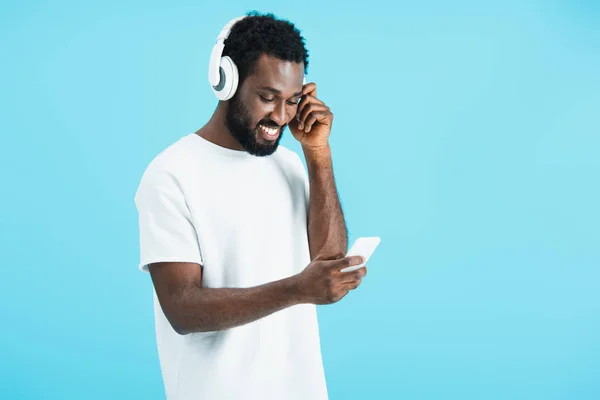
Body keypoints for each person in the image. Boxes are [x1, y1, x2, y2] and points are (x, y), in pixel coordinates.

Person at [134, 11, 367, 400]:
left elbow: (327, 260)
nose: (279, 116)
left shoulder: (290, 164)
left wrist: (317, 153)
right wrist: (296, 289)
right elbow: (182, 308)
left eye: (292, 101)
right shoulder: (171, 174)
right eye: (267, 97)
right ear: (226, 82)